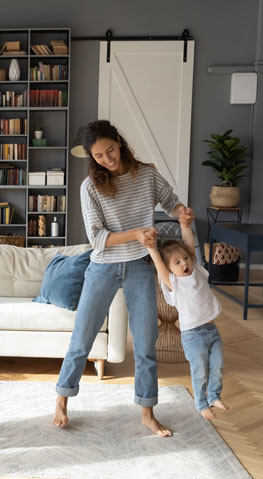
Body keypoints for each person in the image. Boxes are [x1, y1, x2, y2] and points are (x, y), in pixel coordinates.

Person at [54, 120, 193, 437]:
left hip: (142, 266)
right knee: (82, 339)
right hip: (103, 267)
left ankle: (147, 412)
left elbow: (170, 201)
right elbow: (97, 238)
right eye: (99, 156)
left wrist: (182, 211)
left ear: (119, 141)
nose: (108, 159)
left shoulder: (146, 174)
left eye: (111, 150)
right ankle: (62, 398)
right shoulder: (90, 187)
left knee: (145, 344)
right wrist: (135, 233)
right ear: (92, 157)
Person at [146, 217, 229, 419]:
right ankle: (201, 404)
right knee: (200, 371)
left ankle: (214, 396)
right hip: (193, 335)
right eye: (177, 262)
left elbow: (190, 245)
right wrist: (151, 248)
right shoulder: (173, 282)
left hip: (212, 331)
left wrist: (185, 226)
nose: (184, 263)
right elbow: (159, 265)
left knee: (217, 366)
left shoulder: (198, 272)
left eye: (185, 258)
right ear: (169, 269)